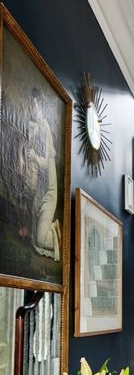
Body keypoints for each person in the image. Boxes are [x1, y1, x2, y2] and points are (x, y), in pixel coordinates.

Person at [21, 88, 61, 261]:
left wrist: (33, 157)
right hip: (40, 189)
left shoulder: (45, 129)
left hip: (49, 193)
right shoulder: (34, 128)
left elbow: (44, 163)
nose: (32, 109)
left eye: (35, 106)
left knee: (40, 240)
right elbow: (25, 144)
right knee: (32, 238)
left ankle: (58, 234)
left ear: (41, 109)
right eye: (31, 105)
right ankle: (39, 228)